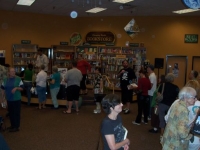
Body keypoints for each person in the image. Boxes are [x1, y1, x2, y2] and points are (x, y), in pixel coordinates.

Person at [165, 80, 200, 150]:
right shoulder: (184, 110)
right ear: (187, 97)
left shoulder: (176, 103)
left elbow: (166, 118)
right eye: (194, 97)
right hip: (183, 142)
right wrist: (190, 133)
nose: (195, 99)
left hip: (170, 140)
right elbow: (183, 133)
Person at [1, 67, 23, 132]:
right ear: (8, 73)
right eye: (12, 71)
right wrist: (2, 98)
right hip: (9, 99)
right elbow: (3, 89)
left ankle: (16, 126)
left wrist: (16, 88)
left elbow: (22, 88)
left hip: (16, 99)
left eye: (14, 71)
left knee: (16, 113)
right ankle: (12, 125)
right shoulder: (5, 80)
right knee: (11, 113)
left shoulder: (18, 79)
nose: (13, 72)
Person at [158, 73, 179, 138]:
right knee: (169, 120)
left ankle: (162, 133)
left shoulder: (162, 85)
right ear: (173, 79)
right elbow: (178, 97)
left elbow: (158, 95)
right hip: (171, 106)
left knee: (162, 119)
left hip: (162, 104)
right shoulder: (176, 87)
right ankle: (168, 134)